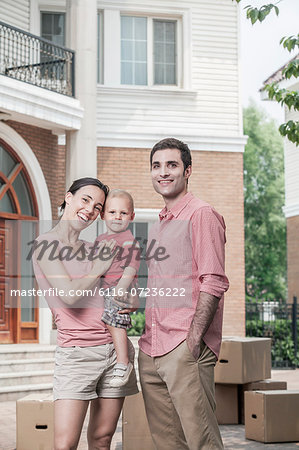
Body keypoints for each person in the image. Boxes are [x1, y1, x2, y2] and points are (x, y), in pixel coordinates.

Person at [32, 177, 138, 450]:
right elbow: (68, 294)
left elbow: (123, 280)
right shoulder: (45, 245)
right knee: (65, 444)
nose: (90, 209)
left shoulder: (95, 248)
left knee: (102, 440)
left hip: (116, 353)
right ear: (69, 197)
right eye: (85, 200)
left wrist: (133, 297)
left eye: (97, 206)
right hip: (76, 354)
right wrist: (98, 268)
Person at [138, 138, 229, 450]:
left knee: (202, 442)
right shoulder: (159, 225)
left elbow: (213, 281)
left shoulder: (202, 215)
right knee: (167, 444)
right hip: (150, 349)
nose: (163, 172)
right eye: (156, 165)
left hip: (183, 347)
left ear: (188, 171)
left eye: (172, 165)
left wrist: (193, 339)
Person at [96, 189, 140, 387]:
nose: (117, 217)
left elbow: (132, 266)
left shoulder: (129, 240)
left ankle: (124, 363)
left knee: (115, 321)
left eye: (123, 213)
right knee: (108, 322)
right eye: (112, 212)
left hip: (119, 289)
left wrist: (121, 287)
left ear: (131, 216)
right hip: (104, 288)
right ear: (103, 215)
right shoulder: (100, 240)